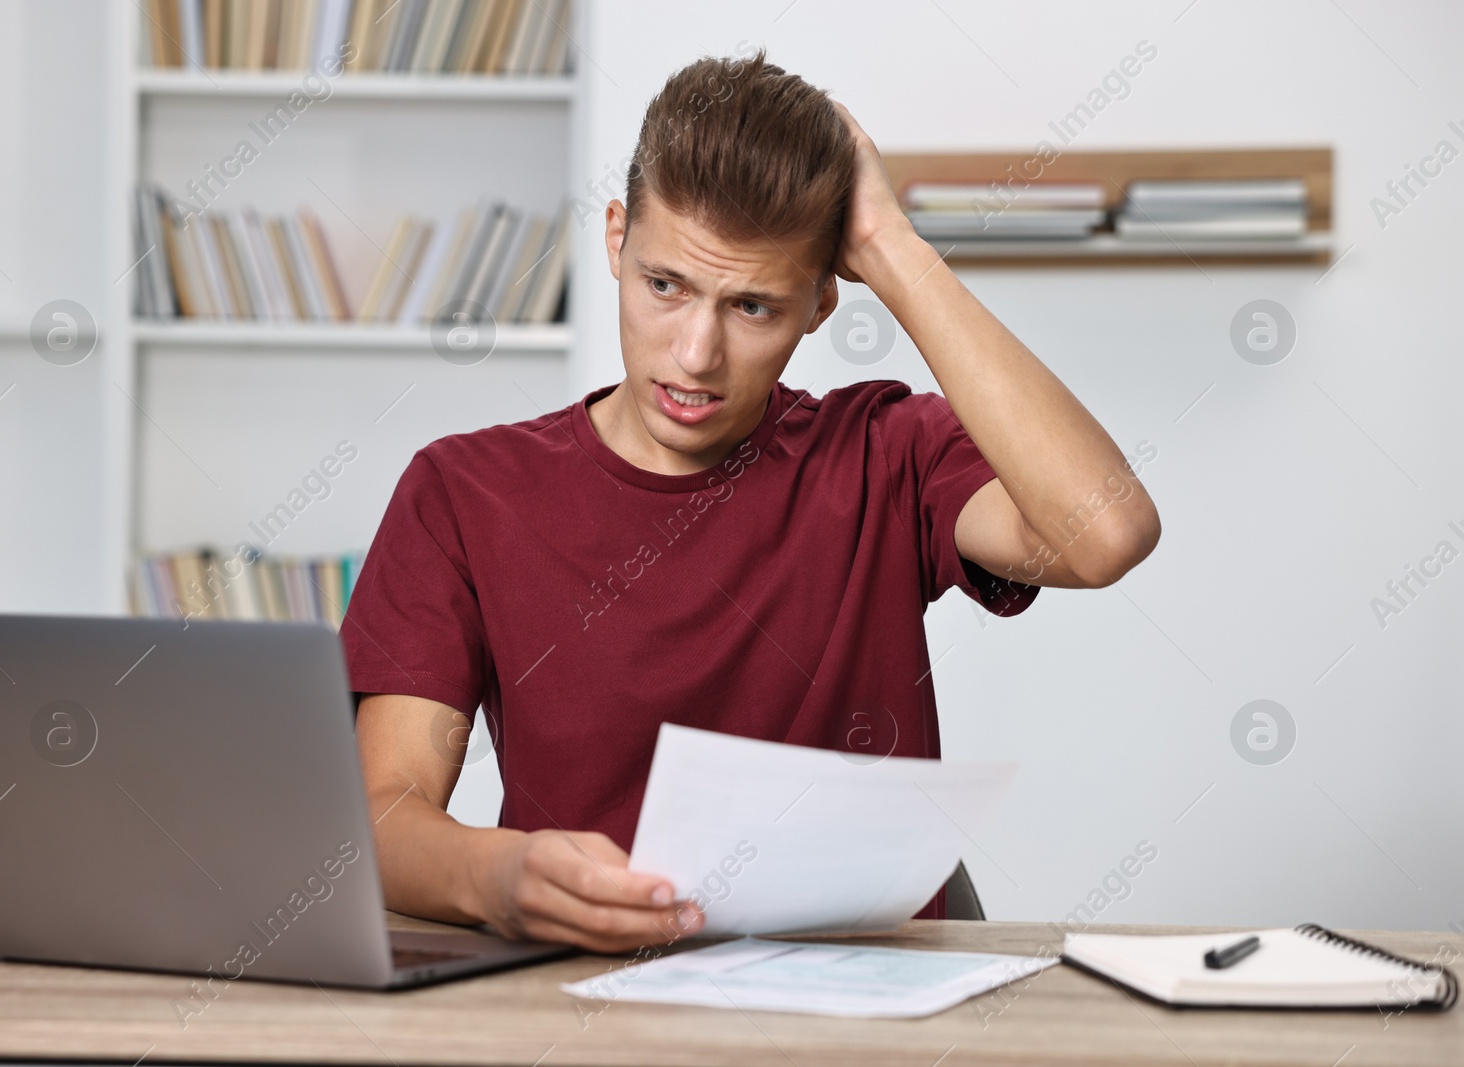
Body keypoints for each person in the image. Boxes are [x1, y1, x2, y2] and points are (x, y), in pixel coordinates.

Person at [341, 50, 1160, 954]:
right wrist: (497, 875)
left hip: (867, 1009)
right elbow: (383, 812)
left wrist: (893, 245)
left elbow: (1106, 532)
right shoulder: (465, 491)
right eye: (666, 285)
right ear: (615, 239)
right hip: (588, 1000)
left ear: (820, 304)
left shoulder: (885, 452)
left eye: (754, 307)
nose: (695, 354)